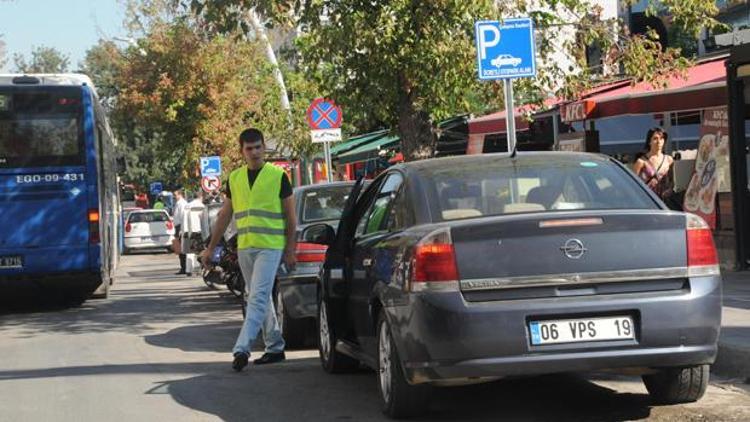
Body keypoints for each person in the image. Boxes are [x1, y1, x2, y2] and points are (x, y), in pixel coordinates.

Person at [201, 128, 296, 372]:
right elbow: (225, 215)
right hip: (246, 246)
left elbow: (291, 216)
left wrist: (290, 249)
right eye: (249, 148)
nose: (254, 152)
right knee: (259, 296)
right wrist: (211, 248)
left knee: (257, 296)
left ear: (264, 147)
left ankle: (241, 348)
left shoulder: (278, 176)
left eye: (257, 147)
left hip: (271, 246)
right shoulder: (235, 178)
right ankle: (275, 347)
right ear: (242, 151)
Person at [633, 127, 674, 201]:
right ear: (649, 141)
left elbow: (672, 181)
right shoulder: (641, 162)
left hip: (665, 201)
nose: (659, 141)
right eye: (655, 138)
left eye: (661, 138)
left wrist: (668, 191)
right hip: (647, 201)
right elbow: (633, 185)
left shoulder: (669, 160)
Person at [173, 189, 188, 275]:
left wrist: (182, 229)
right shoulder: (179, 203)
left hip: (180, 227)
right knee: (179, 248)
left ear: (180, 195)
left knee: (181, 248)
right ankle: (183, 267)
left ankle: (184, 268)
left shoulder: (182, 204)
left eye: (175, 195)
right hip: (178, 227)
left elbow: (183, 217)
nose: (174, 197)